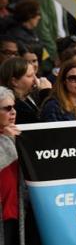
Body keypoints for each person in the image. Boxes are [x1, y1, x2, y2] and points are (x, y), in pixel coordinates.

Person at [0, 86, 22, 245]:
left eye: (14, 107)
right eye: (7, 108)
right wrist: (7, 140)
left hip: (16, 213)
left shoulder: (17, 133)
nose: (13, 112)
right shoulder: (9, 137)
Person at [0, 56, 52, 124]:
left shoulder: (28, 98)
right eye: (30, 76)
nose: (35, 79)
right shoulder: (14, 106)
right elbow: (46, 124)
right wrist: (45, 92)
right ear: (14, 81)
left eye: (35, 75)